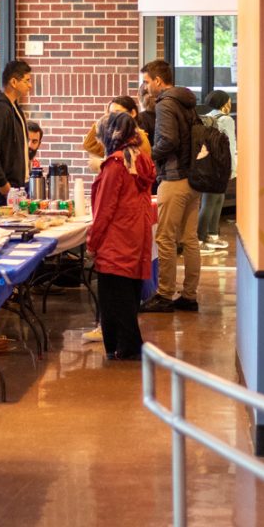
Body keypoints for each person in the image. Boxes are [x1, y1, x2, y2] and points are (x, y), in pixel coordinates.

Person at [86, 112, 156, 360]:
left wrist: (92, 242)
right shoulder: (140, 159)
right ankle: (126, 346)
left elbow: (105, 210)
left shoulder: (115, 165)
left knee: (114, 299)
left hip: (115, 240)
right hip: (136, 235)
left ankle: (125, 348)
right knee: (129, 296)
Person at [139, 59, 201, 313]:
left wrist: (148, 156)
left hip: (174, 178)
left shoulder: (165, 103)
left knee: (165, 238)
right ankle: (189, 295)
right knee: (189, 239)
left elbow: (168, 140)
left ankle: (164, 294)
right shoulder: (187, 102)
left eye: (146, 81)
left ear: (158, 81)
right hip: (194, 179)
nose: (145, 87)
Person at [0, 60, 33, 207]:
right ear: (14, 82)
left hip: (17, 185)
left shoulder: (13, 107)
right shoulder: (0, 110)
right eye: (27, 81)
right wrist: (2, 183)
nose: (30, 85)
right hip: (5, 187)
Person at [198, 90, 237, 254]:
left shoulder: (205, 118)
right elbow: (230, 146)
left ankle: (210, 236)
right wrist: (233, 169)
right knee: (213, 201)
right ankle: (202, 238)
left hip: (207, 165)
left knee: (212, 200)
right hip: (221, 166)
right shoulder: (226, 119)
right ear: (223, 103)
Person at [82, 96, 152, 173]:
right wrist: (104, 119)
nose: (113, 118)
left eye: (118, 113)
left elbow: (133, 171)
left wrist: (101, 166)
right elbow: (89, 145)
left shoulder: (139, 138)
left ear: (133, 113)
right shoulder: (118, 138)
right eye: (111, 114)